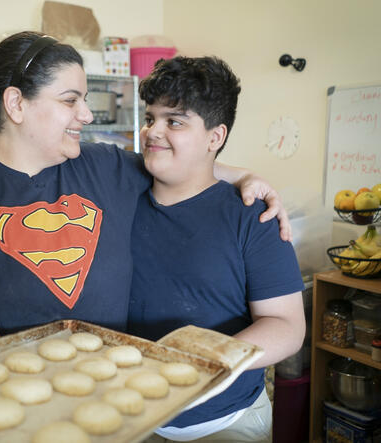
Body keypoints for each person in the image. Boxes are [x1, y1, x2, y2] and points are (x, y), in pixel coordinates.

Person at [0, 31, 291, 360]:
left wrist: (250, 176)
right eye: (71, 100)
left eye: (84, 100)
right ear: (16, 104)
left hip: (103, 399)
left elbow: (182, 165)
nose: (86, 114)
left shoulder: (105, 168)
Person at [127, 56, 305, 442]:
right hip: (133, 414)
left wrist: (201, 361)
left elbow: (288, 326)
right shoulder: (122, 195)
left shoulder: (251, 215)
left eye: (174, 121)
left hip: (226, 420)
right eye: (150, 117)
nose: (153, 131)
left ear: (215, 137)